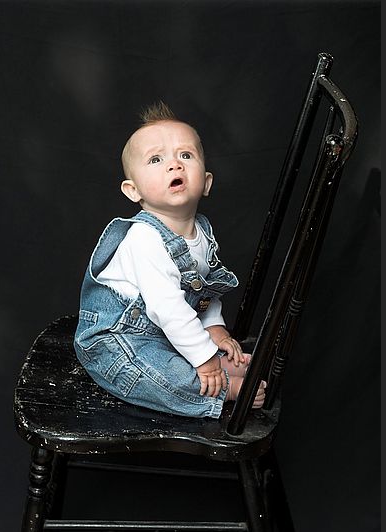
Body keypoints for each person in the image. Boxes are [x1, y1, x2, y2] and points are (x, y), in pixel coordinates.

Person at [74, 101, 266, 418]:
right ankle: (224, 389)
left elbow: (204, 292)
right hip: (116, 342)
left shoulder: (201, 232)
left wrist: (214, 329)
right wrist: (205, 358)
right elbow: (169, 309)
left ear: (206, 182)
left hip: (163, 332)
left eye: (185, 155)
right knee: (155, 375)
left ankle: (216, 366)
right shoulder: (144, 239)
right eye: (156, 159)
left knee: (182, 349)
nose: (174, 166)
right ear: (132, 190)